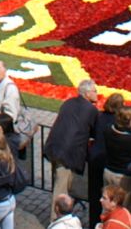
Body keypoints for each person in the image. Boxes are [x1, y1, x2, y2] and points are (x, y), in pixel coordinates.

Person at [45, 79, 98, 211]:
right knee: (61, 190)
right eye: (94, 91)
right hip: (68, 154)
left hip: (54, 147)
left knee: (58, 182)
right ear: (87, 94)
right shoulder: (91, 110)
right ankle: (56, 220)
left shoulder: (68, 102)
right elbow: (95, 132)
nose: (97, 94)